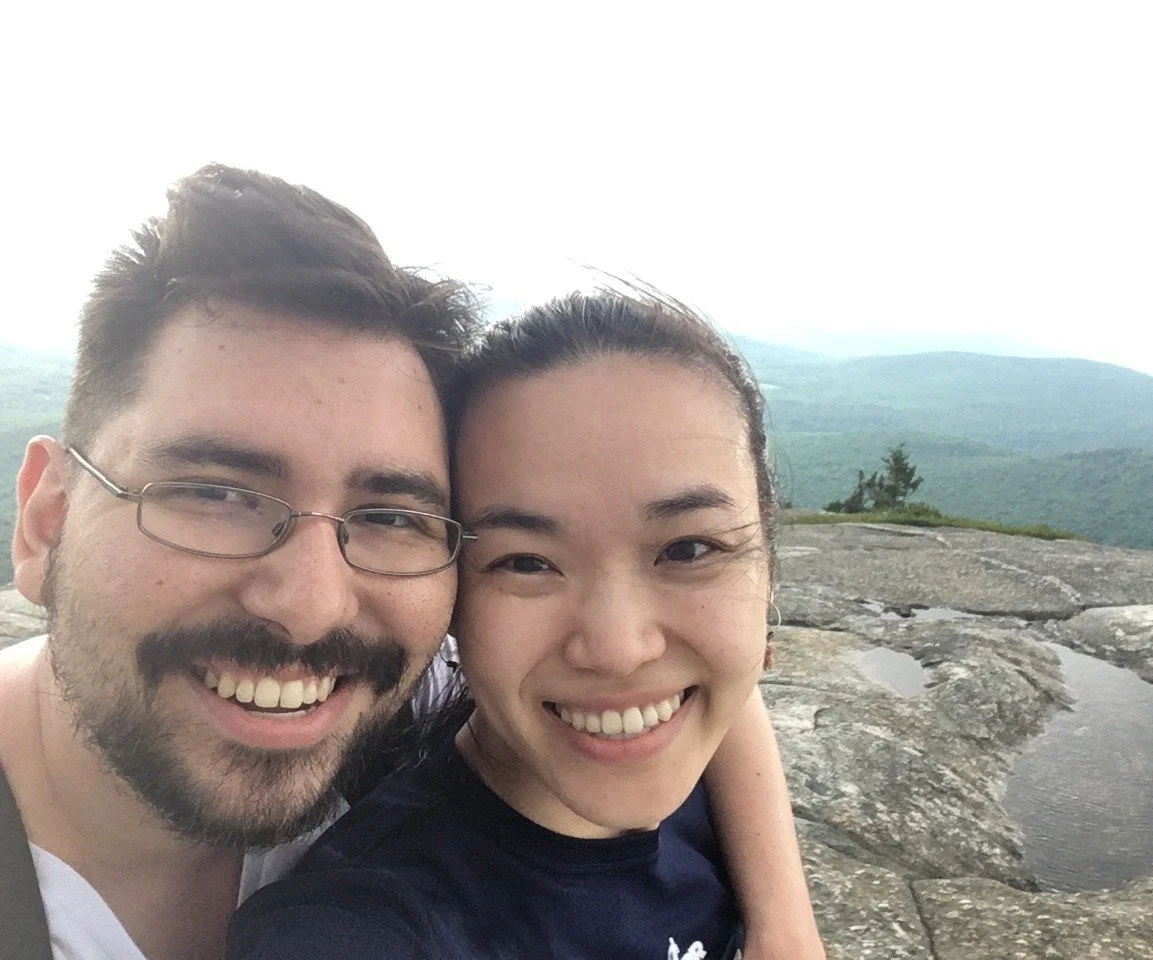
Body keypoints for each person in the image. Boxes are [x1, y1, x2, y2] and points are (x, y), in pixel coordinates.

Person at [0, 166, 822, 959]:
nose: (314, 606)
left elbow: (672, 682)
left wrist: (785, 926)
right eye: (215, 495)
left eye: (390, 516)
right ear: (47, 520)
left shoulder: (407, 698)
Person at [229, 288, 796, 959]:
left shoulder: (694, 753)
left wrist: (784, 921)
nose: (619, 651)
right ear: (454, 598)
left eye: (688, 550)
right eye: (526, 563)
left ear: (765, 558)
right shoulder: (362, 925)